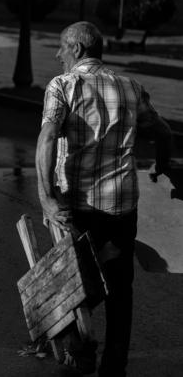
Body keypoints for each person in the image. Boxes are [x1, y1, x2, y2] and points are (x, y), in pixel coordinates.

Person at [35, 21, 172, 377]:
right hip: (121, 206)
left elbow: (47, 138)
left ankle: (79, 350)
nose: (58, 54)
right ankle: (114, 365)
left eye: (62, 47)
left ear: (77, 49)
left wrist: (47, 197)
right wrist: (162, 165)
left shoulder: (63, 85)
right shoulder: (130, 87)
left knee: (73, 282)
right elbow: (163, 131)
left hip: (77, 206)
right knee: (120, 287)